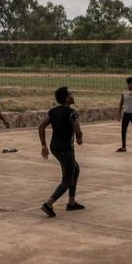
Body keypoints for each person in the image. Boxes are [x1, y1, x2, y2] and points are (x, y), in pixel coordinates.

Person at [39, 86, 85, 217]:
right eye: (70, 94)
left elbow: (41, 126)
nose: (73, 96)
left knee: (75, 170)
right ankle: (48, 204)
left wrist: (43, 145)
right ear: (66, 98)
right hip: (65, 148)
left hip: (55, 147)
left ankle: (71, 202)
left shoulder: (53, 111)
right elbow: (77, 128)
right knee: (68, 180)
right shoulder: (72, 112)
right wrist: (80, 137)